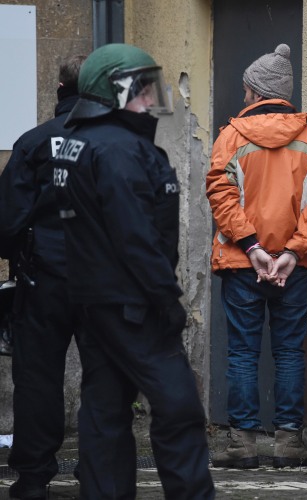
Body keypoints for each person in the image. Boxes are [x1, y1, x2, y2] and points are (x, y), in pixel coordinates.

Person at [52, 43, 215, 499]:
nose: (151, 100)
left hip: (95, 303)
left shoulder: (80, 141)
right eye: (141, 91)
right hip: (134, 305)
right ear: (112, 93)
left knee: (104, 413)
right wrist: (167, 299)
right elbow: (136, 237)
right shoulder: (121, 151)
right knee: (178, 407)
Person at [206, 43, 307, 469]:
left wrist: (252, 248)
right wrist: (290, 253)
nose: (242, 98)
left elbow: (221, 197)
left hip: (242, 263)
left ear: (254, 91)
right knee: (289, 352)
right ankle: (288, 442)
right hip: (292, 268)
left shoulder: (230, 137)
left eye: (246, 90)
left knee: (243, 352)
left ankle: (242, 444)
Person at [0, 54, 86, 500]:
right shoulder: (123, 144)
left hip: (42, 278)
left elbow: (8, 220)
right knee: (105, 379)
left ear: (59, 89)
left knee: (37, 379)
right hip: (105, 283)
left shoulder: (34, 143)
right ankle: (99, 473)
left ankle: (33, 478)